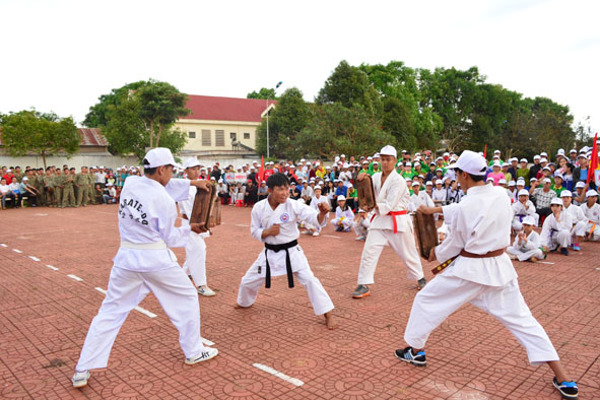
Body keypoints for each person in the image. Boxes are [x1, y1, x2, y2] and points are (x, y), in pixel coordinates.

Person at [397, 150, 578, 400]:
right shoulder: (501, 194)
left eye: (458, 174)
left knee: (426, 300)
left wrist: (434, 254)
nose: (457, 179)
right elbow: (467, 208)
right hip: (500, 268)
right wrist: (434, 210)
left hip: (470, 271)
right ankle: (563, 377)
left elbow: (456, 238)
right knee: (523, 320)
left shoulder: (466, 206)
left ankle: (416, 351)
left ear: (463, 175)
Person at [72, 148, 218, 389]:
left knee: (109, 313)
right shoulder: (162, 201)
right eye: (171, 169)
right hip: (154, 260)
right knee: (187, 297)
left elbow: (161, 187)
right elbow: (170, 237)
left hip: (126, 260)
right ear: (162, 169)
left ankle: (82, 369)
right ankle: (193, 351)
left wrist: (193, 182)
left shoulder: (130, 183)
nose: (172, 174)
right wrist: (191, 228)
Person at [235, 173, 335, 329]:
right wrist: (267, 232)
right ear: (269, 190)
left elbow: (313, 219)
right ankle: (244, 302)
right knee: (247, 281)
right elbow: (254, 231)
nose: (285, 193)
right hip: (269, 253)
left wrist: (322, 214)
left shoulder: (293, 205)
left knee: (310, 279)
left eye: (287, 189)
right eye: (280, 189)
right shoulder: (259, 208)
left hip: (292, 252)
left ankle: (327, 313)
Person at [352, 145, 426, 299]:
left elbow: (388, 205)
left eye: (388, 160)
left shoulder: (398, 181)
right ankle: (363, 284)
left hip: (397, 221)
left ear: (395, 161)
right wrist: (362, 178)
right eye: (382, 159)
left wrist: (371, 205)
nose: (384, 162)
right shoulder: (376, 177)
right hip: (380, 221)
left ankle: (420, 278)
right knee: (369, 252)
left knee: (408, 253)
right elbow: (367, 189)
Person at [179, 159, 216, 297]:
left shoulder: (202, 184)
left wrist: (207, 222)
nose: (196, 171)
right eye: (193, 169)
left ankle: (183, 275)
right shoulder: (183, 186)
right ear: (186, 170)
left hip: (200, 222)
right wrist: (197, 225)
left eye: (198, 169)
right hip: (190, 223)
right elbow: (188, 210)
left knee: (194, 250)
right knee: (199, 250)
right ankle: (201, 285)